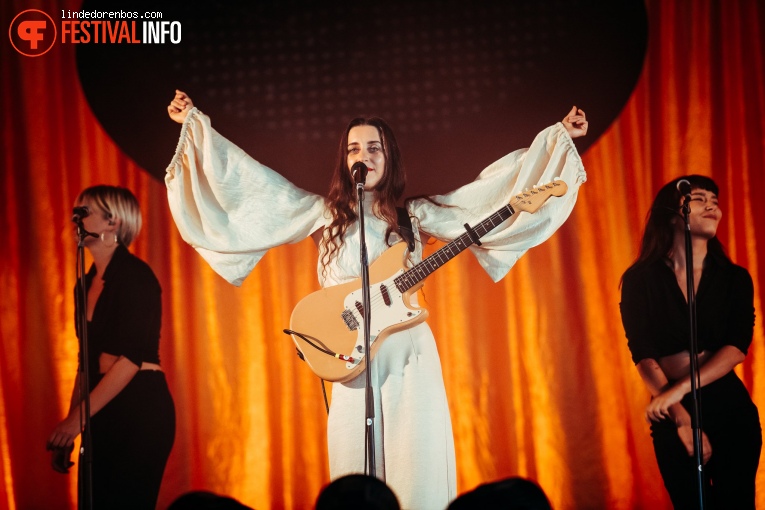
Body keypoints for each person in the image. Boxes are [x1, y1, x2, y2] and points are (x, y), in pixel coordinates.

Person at [166, 90, 588, 509]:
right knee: (355, 464)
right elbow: (253, 190)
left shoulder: (417, 215)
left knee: (414, 462)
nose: (362, 155)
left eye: (373, 147)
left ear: (389, 158)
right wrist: (195, 128)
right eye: (354, 148)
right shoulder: (323, 213)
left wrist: (557, 140)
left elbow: (486, 198)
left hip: (407, 351)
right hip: (350, 353)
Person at [620, 175, 761, 509]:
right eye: (700, 198)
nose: (712, 204)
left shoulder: (734, 278)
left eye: (715, 199)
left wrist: (677, 390)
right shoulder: (641, 279)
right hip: (671, 411)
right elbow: (642, 353)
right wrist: (681, 416)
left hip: (729, 407)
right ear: (672, 214)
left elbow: (737, 347)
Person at [46, 185, 176, 509]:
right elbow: (85, 361)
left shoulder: (137, 277)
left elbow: (131, 359)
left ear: (112, 222)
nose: (74, 219)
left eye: (84, 212)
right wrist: (71, 424)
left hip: (140, 408)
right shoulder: (83, 284)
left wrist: (78, 419)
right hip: (101, 406)